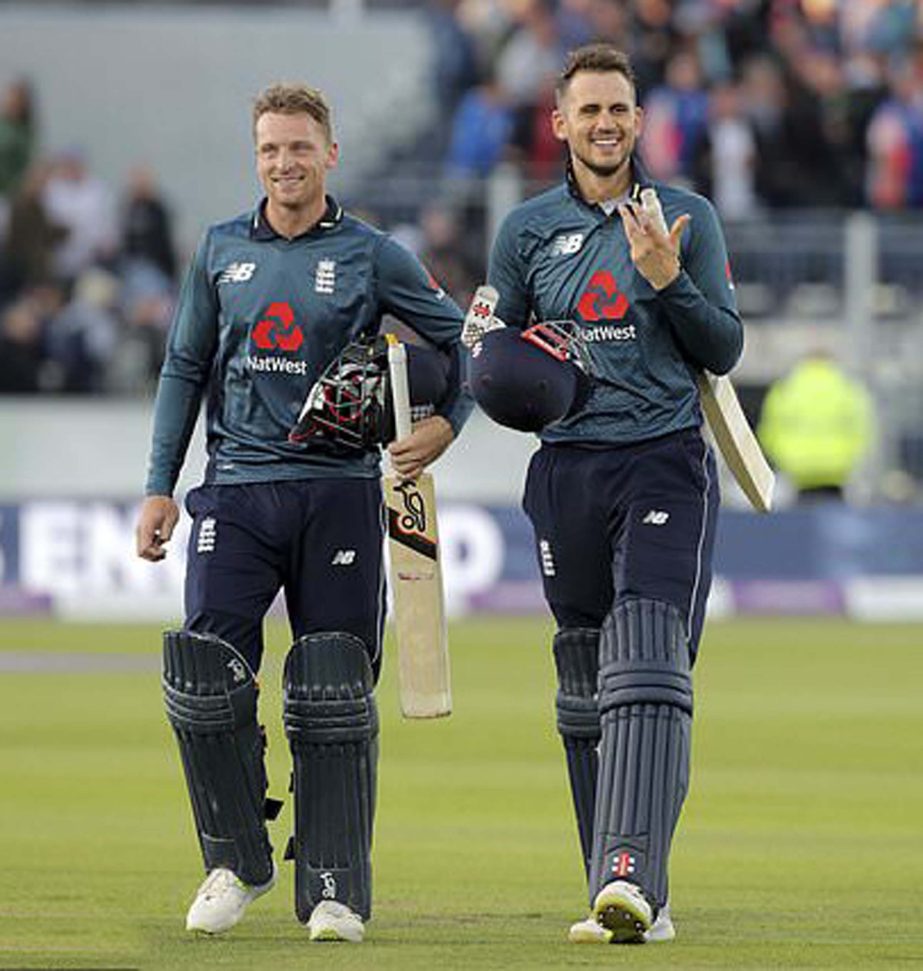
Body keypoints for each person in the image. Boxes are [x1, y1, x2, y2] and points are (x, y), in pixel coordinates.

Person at [134, 83, 471, 943]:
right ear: (258, 158)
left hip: (340, 492)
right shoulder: (217, 252)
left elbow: (459, 346)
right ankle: (235, 856)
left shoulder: (372, 255)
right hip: (237, 486)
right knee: (204, 673)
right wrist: (159, 485)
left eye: (299, 148)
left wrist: (441, 424)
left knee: (332, 683)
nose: (284, 163)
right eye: (270, 149)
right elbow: (182, 369)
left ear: (331, 155)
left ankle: (333, 885)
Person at [481, 43, 743, 944]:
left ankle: (633, 876)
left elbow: (724, 348)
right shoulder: (522, 232)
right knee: (586, 674)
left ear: (639, 121)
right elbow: (496, 353)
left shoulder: (687, 217)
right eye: (587, 109)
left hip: (662, 457)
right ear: (558, 122)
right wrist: (477, 386)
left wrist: (668, 279)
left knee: (648, 657)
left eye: (619, 110)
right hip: (565, 469)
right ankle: (620, 885)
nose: (604, 124)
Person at [757, 351, 874, 501]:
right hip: (837, 471)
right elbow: (862, 431)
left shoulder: (786, 389)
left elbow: (769, 433)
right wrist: (848, 458)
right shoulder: (848, 389)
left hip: (798, 471)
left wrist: (784, 459)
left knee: (798, 521)